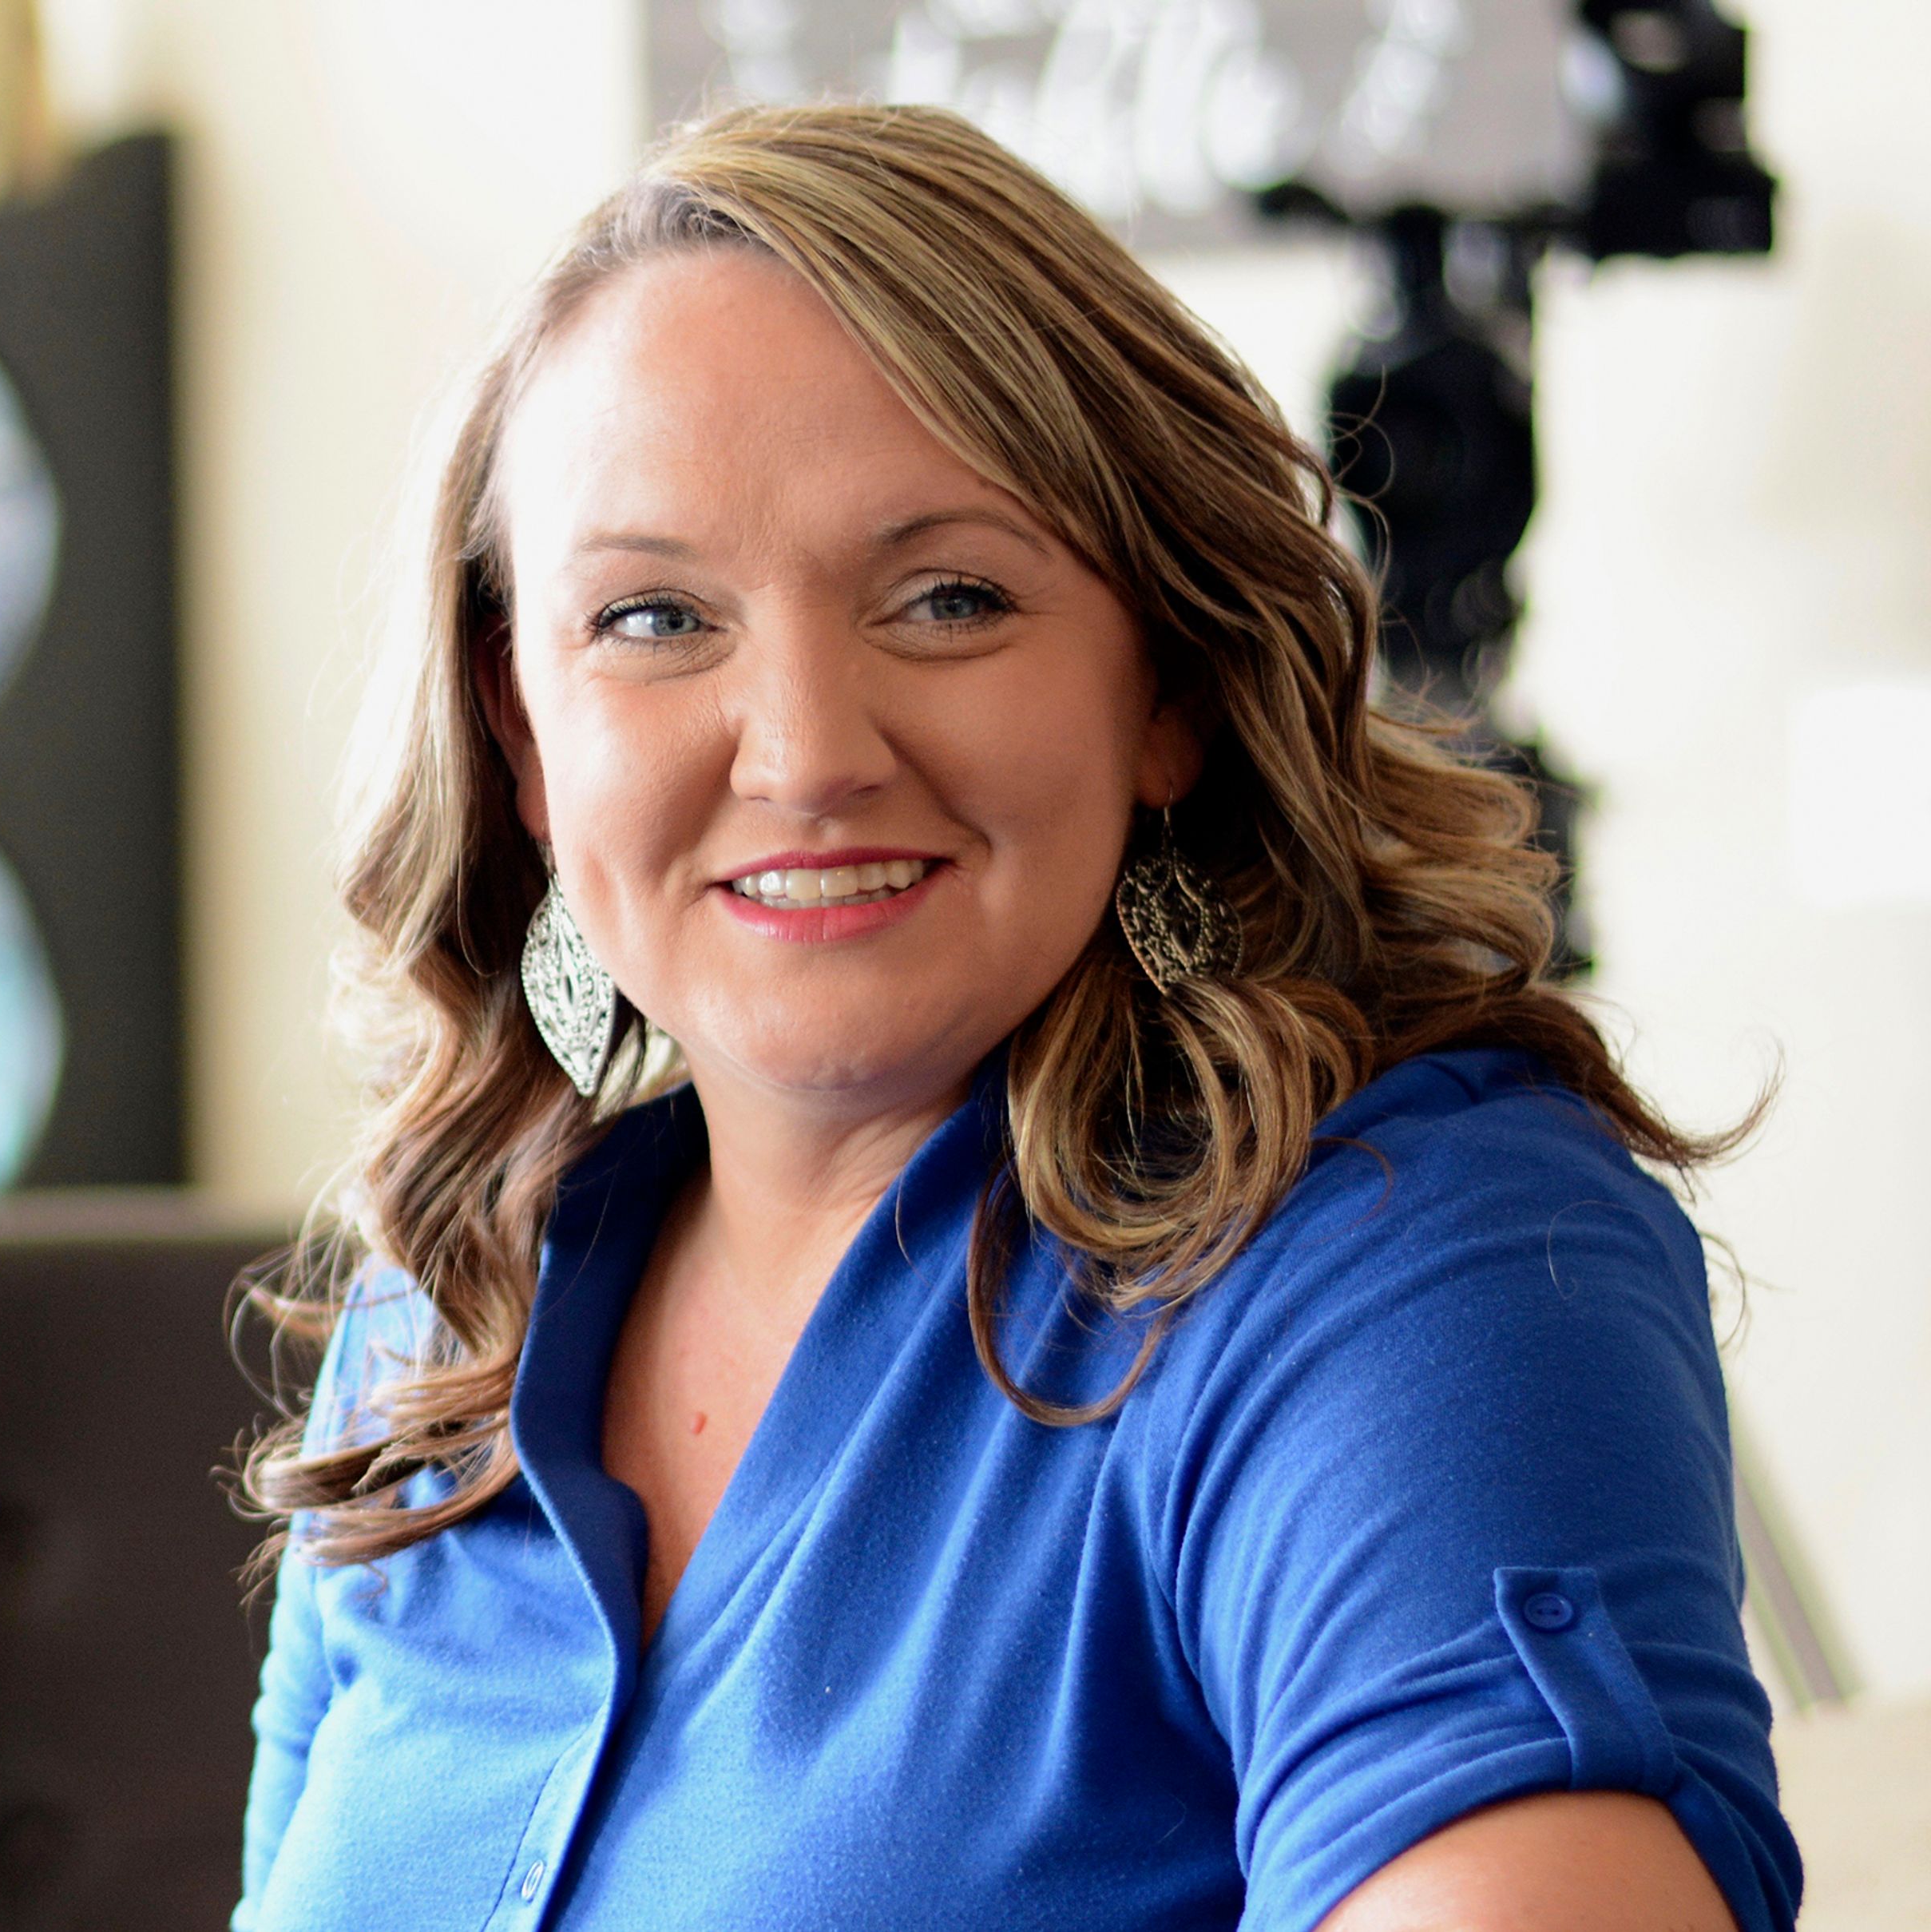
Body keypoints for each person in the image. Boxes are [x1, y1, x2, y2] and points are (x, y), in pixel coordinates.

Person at [231, 105, 1801, 1932]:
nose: (809, 751)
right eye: (656, 618)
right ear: (519, 733)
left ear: (1172, 688)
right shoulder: (444, 1321)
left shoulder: (1406, 1268)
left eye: (951, 598)